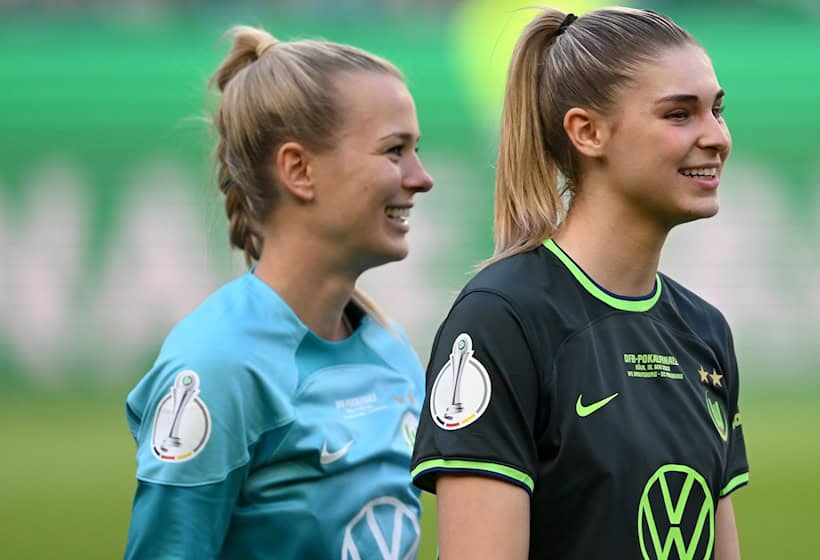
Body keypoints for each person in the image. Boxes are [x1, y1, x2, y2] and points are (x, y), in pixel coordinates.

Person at [410, 7, 748, 559]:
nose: (716, 137)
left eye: (717, 110)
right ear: (587, 132)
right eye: (679, 115)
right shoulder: (502, 318)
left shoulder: (705, 331)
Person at [124, 25, 434, 559]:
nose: (421, 177)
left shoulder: (392, 349)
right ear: (299, 170)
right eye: (394, 151)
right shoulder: (220, 366)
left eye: (416, 150)